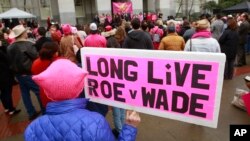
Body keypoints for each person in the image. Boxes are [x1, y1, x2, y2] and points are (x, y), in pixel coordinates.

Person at [24, 59, 141, 141]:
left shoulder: (32, 129)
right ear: (80, 87)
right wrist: (130, 128)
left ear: (47, 92)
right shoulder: (96, 122)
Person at [7, 25, 43, 120]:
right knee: (38, 92)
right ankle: (44, 111)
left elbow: (9, 61)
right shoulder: (28, 45)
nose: (27, 33)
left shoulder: (10, 47)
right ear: (23, 34)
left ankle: (31, 112)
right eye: (25, 32)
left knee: (24, 93)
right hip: (29, 73)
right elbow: (36, 56)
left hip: (18, 74)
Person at [31, 42, 60, 107]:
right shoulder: (58, 62)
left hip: (44, 93)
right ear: (55, 52)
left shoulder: (36, 63)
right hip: (58, 94)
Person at [0, 32, 21, 115]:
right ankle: (11, 109)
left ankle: (6, 108)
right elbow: (7, 59)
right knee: (7, 92)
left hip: (2, 74)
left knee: (2, 92)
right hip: (4, 74)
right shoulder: (2, 50)